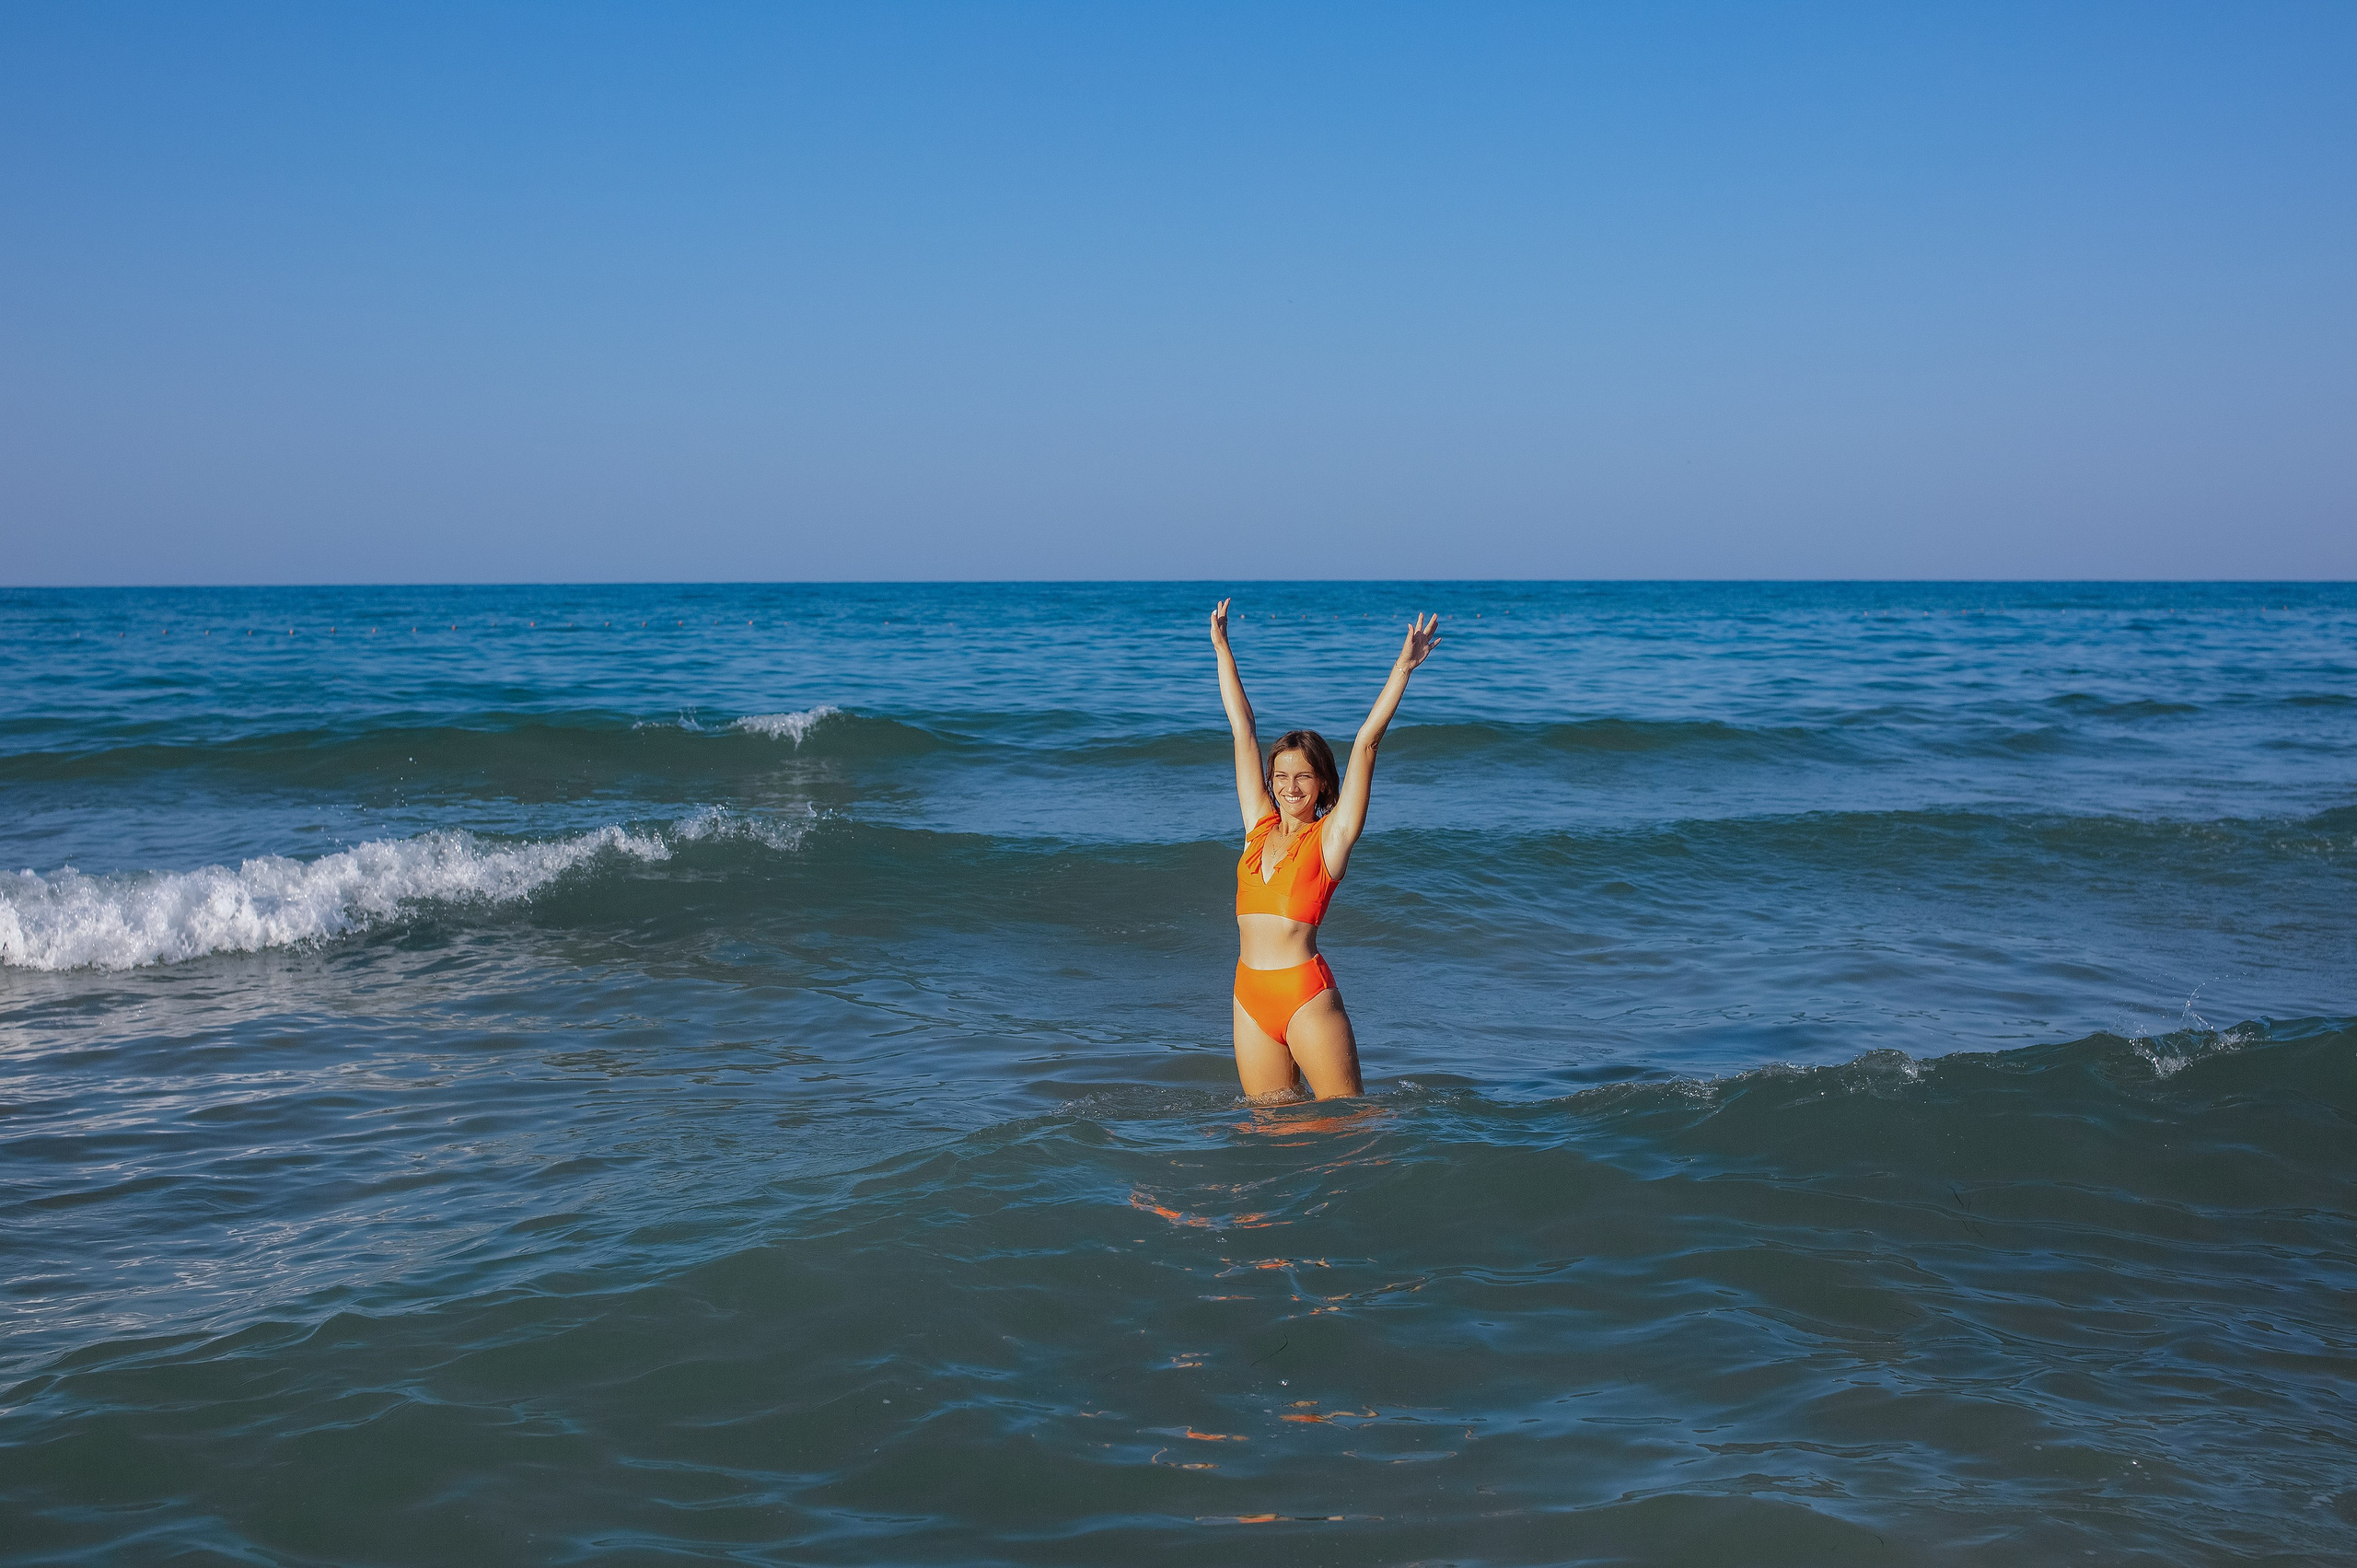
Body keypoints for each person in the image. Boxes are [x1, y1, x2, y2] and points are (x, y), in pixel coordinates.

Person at [1209, 598, 1441, 1101]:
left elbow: (1366, 743)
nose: (1290, 788)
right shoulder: (1257, 828)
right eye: (1281, 777)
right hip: (1248, 996)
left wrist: (1403, 669)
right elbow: (1243, 729)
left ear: (1322, 784)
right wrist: (1223, 651)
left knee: (1345, 1125)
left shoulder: (1331, 838)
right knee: (1269, 1127)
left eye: (1303, 777)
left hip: (1305, 997)